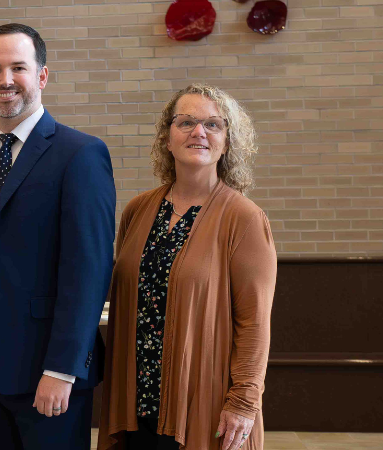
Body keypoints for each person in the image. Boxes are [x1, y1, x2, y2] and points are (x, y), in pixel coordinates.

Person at [0, 23, 115, 450]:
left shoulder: (80, 154)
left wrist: (63, 369)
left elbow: (88, 269)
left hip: (46, 372)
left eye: (19, 67)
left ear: (42, 76)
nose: (6, 80)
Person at [96, 84, 276, 450]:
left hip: (204, 404)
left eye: (214, 124)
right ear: (167, 138)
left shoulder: (244, 219)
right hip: (135, 403)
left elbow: (254, 324)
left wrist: (243, 402)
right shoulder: (137, 211)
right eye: (187, 122)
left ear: (227, 142)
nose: (199, 132)